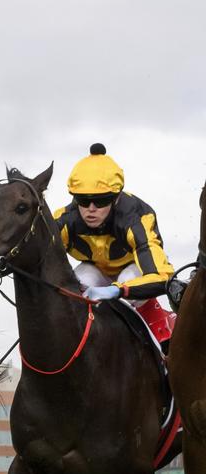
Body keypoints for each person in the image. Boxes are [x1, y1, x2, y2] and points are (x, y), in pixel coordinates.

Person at [54, 143, 175, 342]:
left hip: (132, 269)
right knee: (78, 285)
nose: (91, 209)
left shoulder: (136, 218)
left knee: (129, 279)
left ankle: (163, 333)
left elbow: (162, 278)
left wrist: (119, 290)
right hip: (95, 270)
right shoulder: (64, 219)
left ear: (116, 197)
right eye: (83, 201)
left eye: (100, 200)